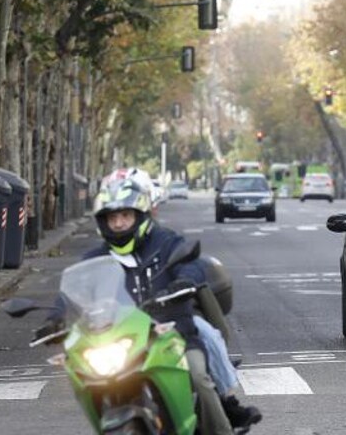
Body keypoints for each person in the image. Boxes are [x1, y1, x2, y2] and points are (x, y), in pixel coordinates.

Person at [75, 178, 260, 433]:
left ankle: (221, 427)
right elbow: (72, 294)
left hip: (174, 331)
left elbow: (191, 264)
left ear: (140, 216)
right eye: (112, 217)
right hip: (123, 338)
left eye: (125, 216)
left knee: (198, 376)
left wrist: (184, 280)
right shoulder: (96, 258)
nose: (118, 223)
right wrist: (54, 317)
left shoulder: (165, 242)